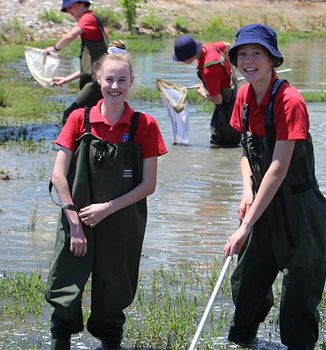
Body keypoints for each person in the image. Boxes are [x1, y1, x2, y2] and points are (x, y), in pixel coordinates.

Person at [45, 51, 168, 350]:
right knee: (65, 284)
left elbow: (148, 185)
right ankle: (61, 339)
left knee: (115, 288)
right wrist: (74, 224)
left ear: (132, 82)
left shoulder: (144, 125)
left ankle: (110, 341)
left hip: (123, 221)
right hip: (78, 219)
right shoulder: (79, 118)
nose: (115, 86)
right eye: (109, 79)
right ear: (98, 79)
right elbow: (59, 177)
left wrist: (107, 208)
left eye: (122, 80)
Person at [224, 24, 326, 349]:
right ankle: (243, 341)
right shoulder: (242, 96)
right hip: (262, 204)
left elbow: (278, 169)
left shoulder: (290, 101)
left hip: (301, 209)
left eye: (257, 53)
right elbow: (245, 152)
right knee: (246, 285)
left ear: (272, 59)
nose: (249, 60)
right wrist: (246, 192)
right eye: (243, 54)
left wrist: (245, 227)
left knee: (299, 293)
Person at [45, 0, 108, 125]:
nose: (68, 11)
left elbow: (70, 35)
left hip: (95, 84)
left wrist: (54, 49)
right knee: (88, 121)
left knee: (69, 116)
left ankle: (70, 144)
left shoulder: (88, 18)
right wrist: (66, 79)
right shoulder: (91, 23)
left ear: (80, 4)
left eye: (69, 7)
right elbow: (88, 67)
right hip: (97, 82)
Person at [172, 35, 241, 147]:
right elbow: (227, 46)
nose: (182, 62)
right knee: (234, 143)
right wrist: (230, 69)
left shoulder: (208, 70)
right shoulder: (210, 47)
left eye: (182, 59)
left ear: (190, 56)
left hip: (226, 112)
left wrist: (201, 92)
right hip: (235, 100)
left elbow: (218, 100)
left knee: (220, 147)